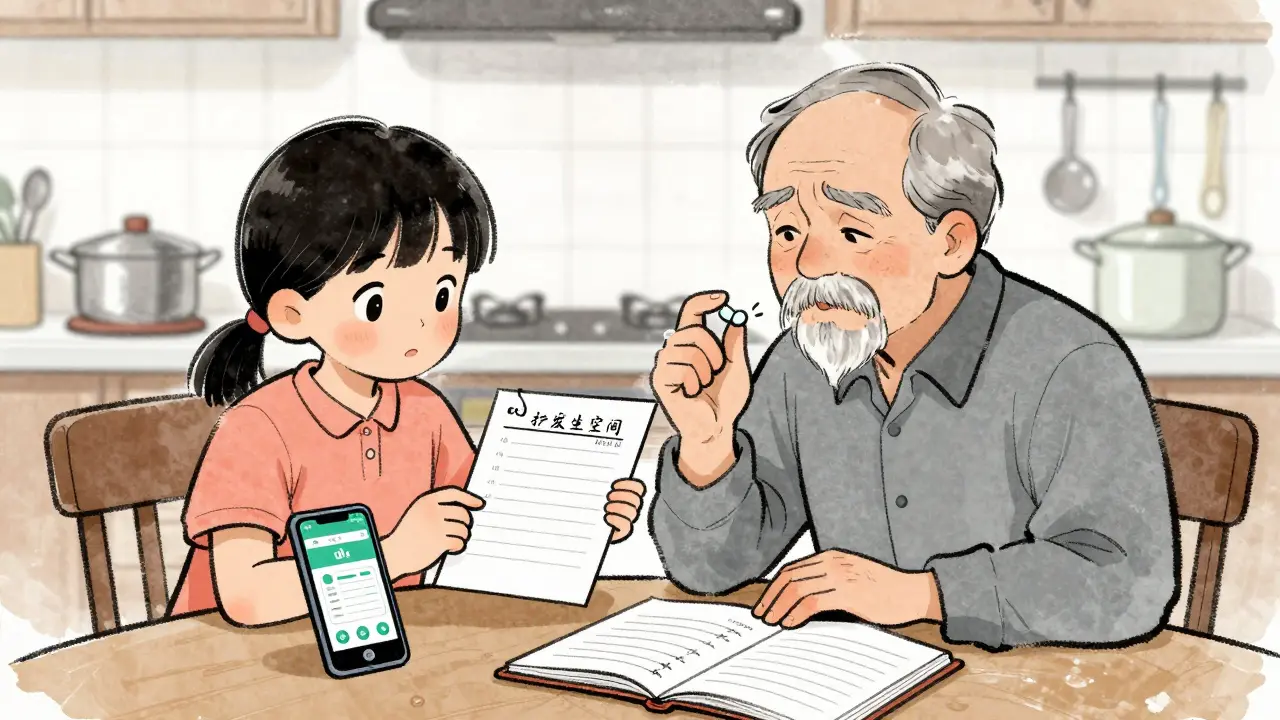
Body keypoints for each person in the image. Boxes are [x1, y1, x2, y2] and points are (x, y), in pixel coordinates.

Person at [649, 63, 1177, 650]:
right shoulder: (808, 356)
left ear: (950, 242)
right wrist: (707, 445)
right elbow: (713, 570)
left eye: (852, 232)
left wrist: (923, 595)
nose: (807, 265)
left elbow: (1124, 582)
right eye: (787, 231)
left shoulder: (1069, 362)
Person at [167, 118, 646, 626]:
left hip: (372, 654)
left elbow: (483, 527)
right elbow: (248, 597)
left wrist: (583, 518)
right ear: (292, 313)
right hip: (230, 671)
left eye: (442, 293)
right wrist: (394, 553)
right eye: (374, 303)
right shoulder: (258, 428)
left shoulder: (424, 412)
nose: (418, 323)